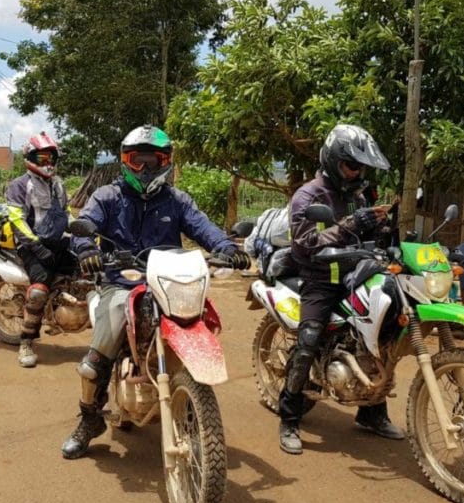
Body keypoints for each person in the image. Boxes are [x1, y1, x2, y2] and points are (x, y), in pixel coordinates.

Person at [60, 124, 251, 460]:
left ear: (166, 161)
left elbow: (203, 226)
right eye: (137, 161)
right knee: (98, 356)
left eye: (153, 160)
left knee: (198, 319)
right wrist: (87, 249)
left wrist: (226, 246)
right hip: (120, 283)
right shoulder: (107, 197)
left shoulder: (177, 201)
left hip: (169, 282)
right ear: (125, 161)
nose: (145, 169)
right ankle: (89, 419)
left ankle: (192, 404)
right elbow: (83, 227)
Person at [280, 123, 403, 456]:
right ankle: (289, 418)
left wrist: (385, 232)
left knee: (383, 335)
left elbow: (363, 239)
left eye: (360, 167)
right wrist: (350, 225)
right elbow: (305, 245)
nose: (357, 172)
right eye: (352, 165)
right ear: (334, 161)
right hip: (320, 280)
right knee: (308, 342)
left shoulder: (357, 197)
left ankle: (372, 412)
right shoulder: (308, 196)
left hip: (355, 275)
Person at [4, 132, 72, 368]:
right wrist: (36, 246)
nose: (48, 164)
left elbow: (66, 213)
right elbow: (16, 220)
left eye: (51, 159)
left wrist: (79, 234)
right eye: (42, 159)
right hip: (30, 245)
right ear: (31, 158)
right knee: (39, 291)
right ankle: (26, 343)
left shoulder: (58, 185)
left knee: (92, 271)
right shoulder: (19, 185)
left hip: (56, 241)